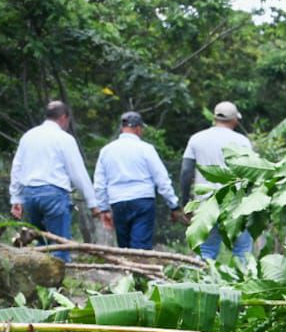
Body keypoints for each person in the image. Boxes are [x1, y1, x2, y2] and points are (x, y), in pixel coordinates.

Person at [8, 100, 96, 263]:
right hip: (54, 194)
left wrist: (16, 198)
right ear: (63, 117)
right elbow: (78, 173)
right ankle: (60, 280)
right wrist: (92, 202)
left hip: (30, 195)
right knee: (60, 243)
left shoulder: (29, 136)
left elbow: (17, 168)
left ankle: (41, 278)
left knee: (40, 241)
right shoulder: (64, 139)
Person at [92, 111, 180, 251]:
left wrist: (104, 209)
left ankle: (128, 270)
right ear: (138, 128)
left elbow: (99, 184)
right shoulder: (146, 149)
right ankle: (140, 270)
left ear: (122, 128)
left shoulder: (106, 151)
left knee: (124, 246)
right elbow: (161, 179)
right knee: (141, 246)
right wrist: (173, 204)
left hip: (118, 201)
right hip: (142, 200)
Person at [179, 101, 254, 262]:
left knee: (205, 251)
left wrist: (185, 202)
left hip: (206, 204)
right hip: (236, 205)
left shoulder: (197, 139)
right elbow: (251, 173)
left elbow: (186, 172)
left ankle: (203, 285)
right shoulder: (242, 142)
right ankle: (243, 285)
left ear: (214, 118)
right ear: (235, 120)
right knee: (242, 251)